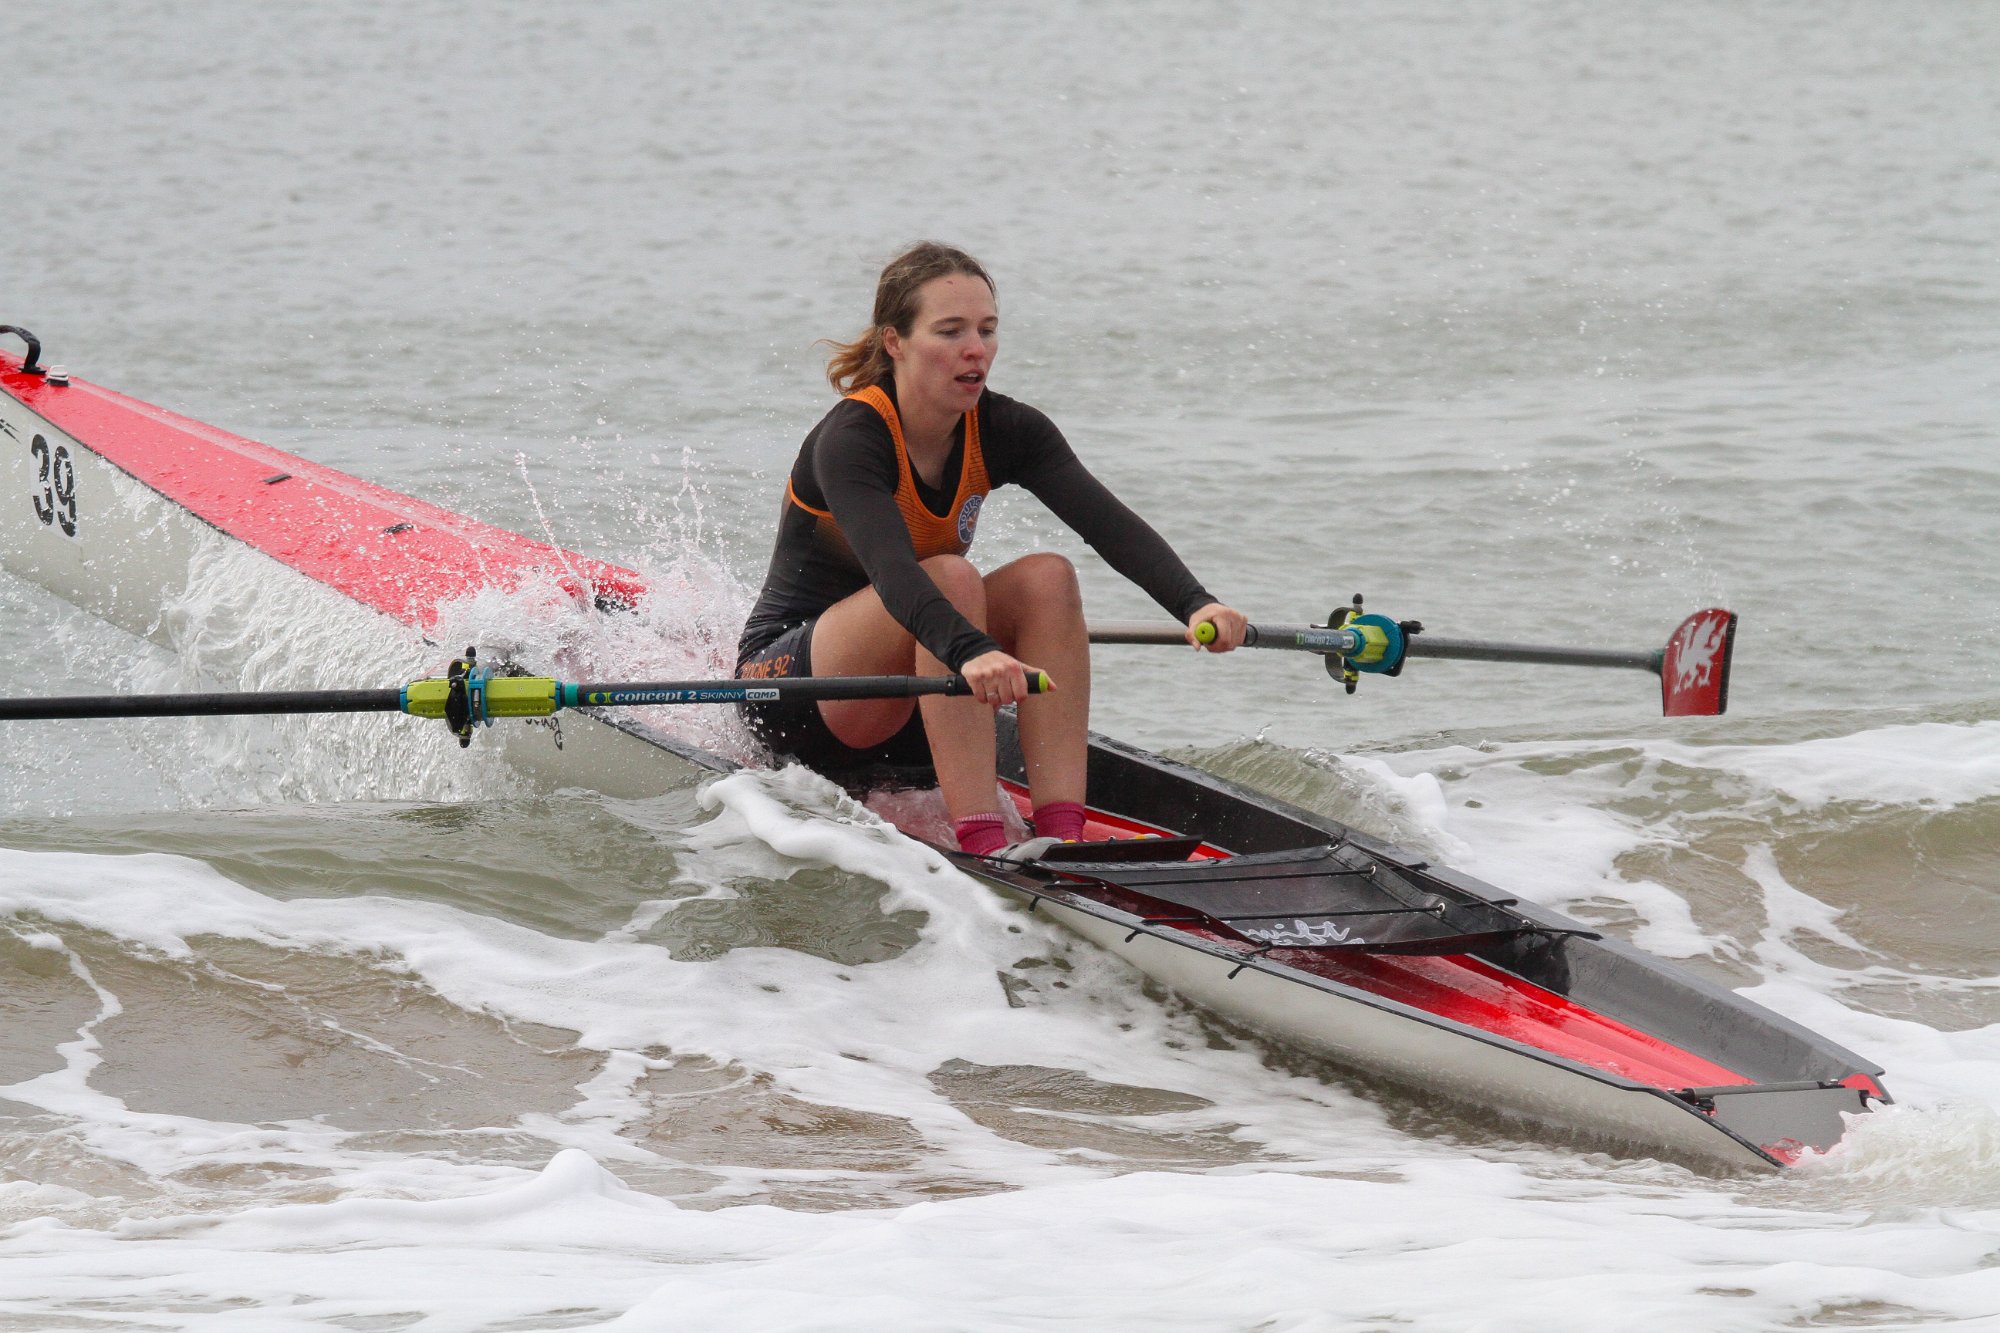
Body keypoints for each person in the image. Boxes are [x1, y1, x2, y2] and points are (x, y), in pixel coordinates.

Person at [735, 242, 1246, 857]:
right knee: (949, 576)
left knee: (1048, 578)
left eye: (986, 329)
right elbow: (894, 574)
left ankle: (1062, 832)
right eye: (950, 331)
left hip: (923, 696)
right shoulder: (852, 439)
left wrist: (1197, 605)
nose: (975, 348)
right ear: (894, 342)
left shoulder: (1010, 429)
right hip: (796, 699)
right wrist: (972, 649)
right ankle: (982, 842)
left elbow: (1110, 526)